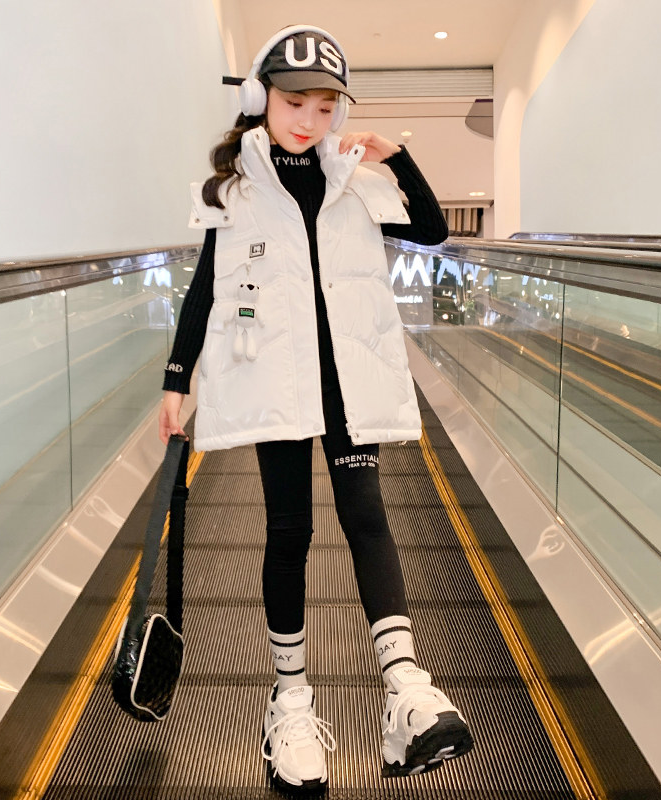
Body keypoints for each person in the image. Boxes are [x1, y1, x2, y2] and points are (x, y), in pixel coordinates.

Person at [158, 24, 473, 794]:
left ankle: (406, 690)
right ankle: (290, 701)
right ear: (260, 98)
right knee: (289, 529)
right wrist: (177, 378)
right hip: (277, 382)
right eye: (295, 101)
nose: (310, 119)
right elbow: (204, 290)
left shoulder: (357, 179)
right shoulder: (235, 191)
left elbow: (432, 231)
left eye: (326, 106)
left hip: (348, 383)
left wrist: (396, 156)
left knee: (368, 516)